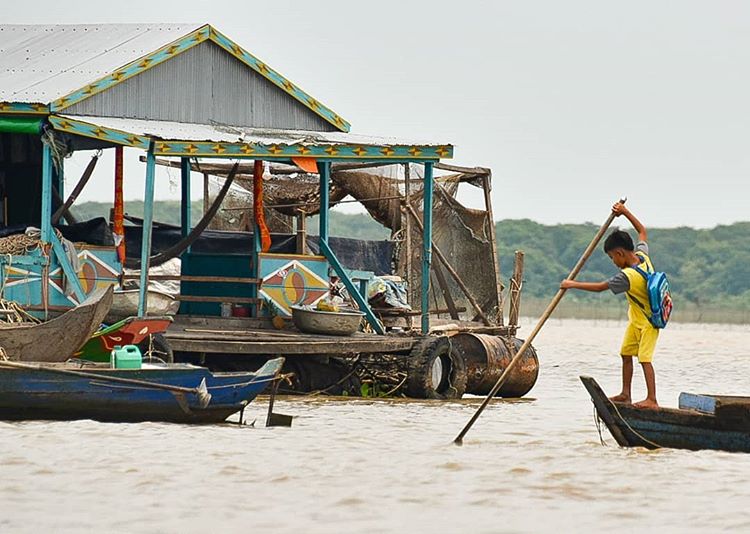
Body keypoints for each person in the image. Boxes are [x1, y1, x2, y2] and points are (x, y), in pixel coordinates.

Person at [561, 202, 659, 409]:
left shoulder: (627, 276)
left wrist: (572, 284)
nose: (613, 261)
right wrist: (624, 213)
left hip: (649, 323)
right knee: (626, 354)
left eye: (612, 257)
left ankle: (652, 399)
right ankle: (626, 394)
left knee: (644, 359)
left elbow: (600, 287)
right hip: (636, 321)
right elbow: (642, 231)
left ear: (620, 253)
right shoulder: (643, 256)